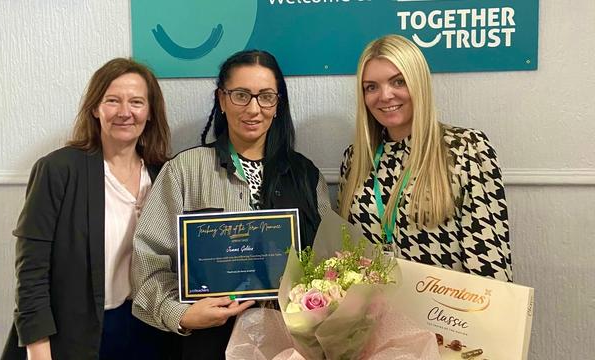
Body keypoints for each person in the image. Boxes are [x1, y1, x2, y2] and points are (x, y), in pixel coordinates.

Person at [131, 49, 332, 359]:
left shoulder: (306, 176)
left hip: (293, 347)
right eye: (241, 95)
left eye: (266, 96)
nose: (253, 108)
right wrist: (180, 314)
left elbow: (329, 262)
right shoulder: (185, 171)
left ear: (278, 104)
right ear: (222, 100)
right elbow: (149, 261)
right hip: (211, 344)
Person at [1, 58, 180, 359]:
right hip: (77, 336)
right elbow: (32, 272)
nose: (125, 112)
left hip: (148, 329)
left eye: (136, 102)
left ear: (150, 113)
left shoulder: (166, 173)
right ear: (95, 108)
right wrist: (38, 350)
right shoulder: (58, 170)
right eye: (113, 101)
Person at [338, 35, 512, 282]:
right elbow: (346, 253)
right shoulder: (355, 158)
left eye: (398, 81)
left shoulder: (465, 149)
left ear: (418, 83)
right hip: (374, 316)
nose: (385, 96)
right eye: (371, 87)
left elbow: (489, 263)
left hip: (445, 314)